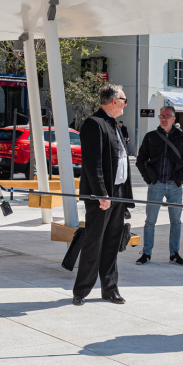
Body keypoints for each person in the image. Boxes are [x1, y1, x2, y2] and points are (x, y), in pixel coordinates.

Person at [73, 85, 133, 305]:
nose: (127, 104)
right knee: (94, 242)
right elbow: (93, 163)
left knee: (112, 242)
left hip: (118, 192)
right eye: (124, 100)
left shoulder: (114, 124)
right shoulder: (93, 123)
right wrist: (101, 194)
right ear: (114, 101)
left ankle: (110, 289)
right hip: (102, 195)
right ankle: (81, 291)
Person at [135, 106, 183, 265]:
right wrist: (149, 179)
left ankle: (174, 254)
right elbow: (140, 160)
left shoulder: (181, 138)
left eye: (167, 116)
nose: (164, 118)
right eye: (162, 115)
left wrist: (182, 179)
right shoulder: (151, 137)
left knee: (176, 221)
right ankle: (146, 253)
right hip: (156, 184)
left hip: (174, 185)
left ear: (174, 119)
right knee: (150, 221)